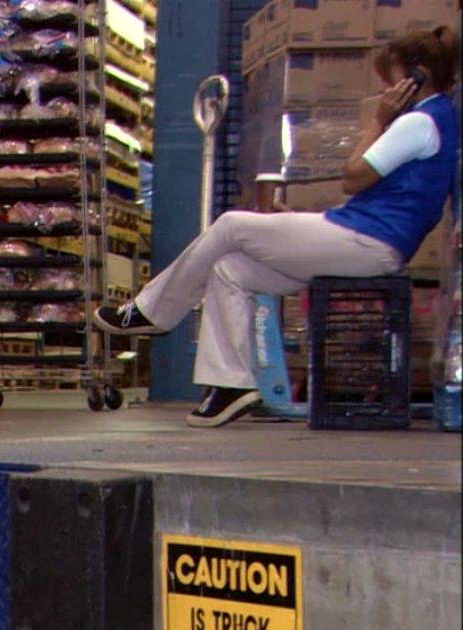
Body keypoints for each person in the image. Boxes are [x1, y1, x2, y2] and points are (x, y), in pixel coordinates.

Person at [94, 26, 460, 428]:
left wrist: (379, 120)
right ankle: (230, 385)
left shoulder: (418, 123)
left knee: (231, 225)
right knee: (229, 268)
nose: (385, 90)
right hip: (365, 237)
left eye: (391, 80)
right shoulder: (434, 119)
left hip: (370, 242)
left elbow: (353, 177)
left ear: (418, 77)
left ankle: (150, 312)